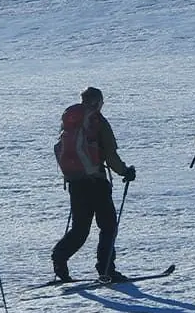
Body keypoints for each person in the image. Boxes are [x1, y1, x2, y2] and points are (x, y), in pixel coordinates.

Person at [52, 87, 137, 283]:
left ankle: (59, 257)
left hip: (75, 182)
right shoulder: (97, 121)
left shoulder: (70, 120)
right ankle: (106, 269)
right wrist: (125, 171)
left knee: (80, 229)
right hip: (96, 181)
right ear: (97, 102)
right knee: (108, 226)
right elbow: (110, 154)